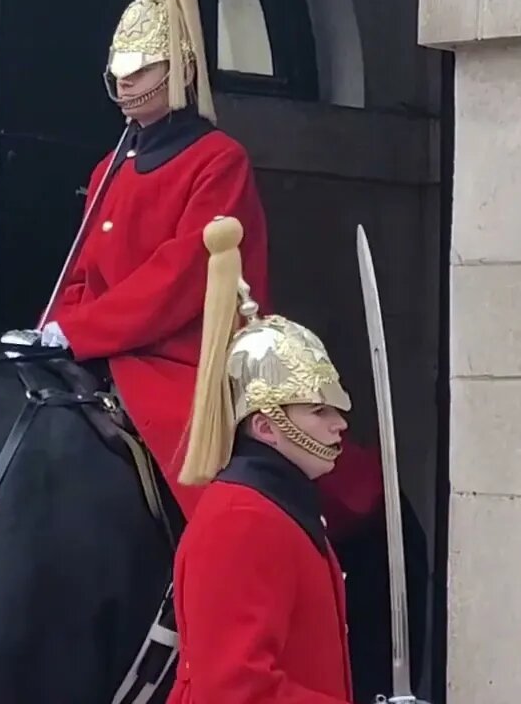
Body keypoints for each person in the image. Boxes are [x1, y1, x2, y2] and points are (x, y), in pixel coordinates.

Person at [16, 0, 272, 517]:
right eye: (119, 70)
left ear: (178, 66)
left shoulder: (218, 161)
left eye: (141, 68)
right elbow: (83, 273)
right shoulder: (110, 166)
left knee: (208, 483)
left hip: (178, 356)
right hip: (104, 346)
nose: (125, 81)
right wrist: (57, 330)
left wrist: (82, 333)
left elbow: (181, 275)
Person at [165, 216, 355, 703]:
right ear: (266, 425)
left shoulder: (275, 509)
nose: (339, 424)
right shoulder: (243, 521)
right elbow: (235, 691)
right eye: (318, 410)